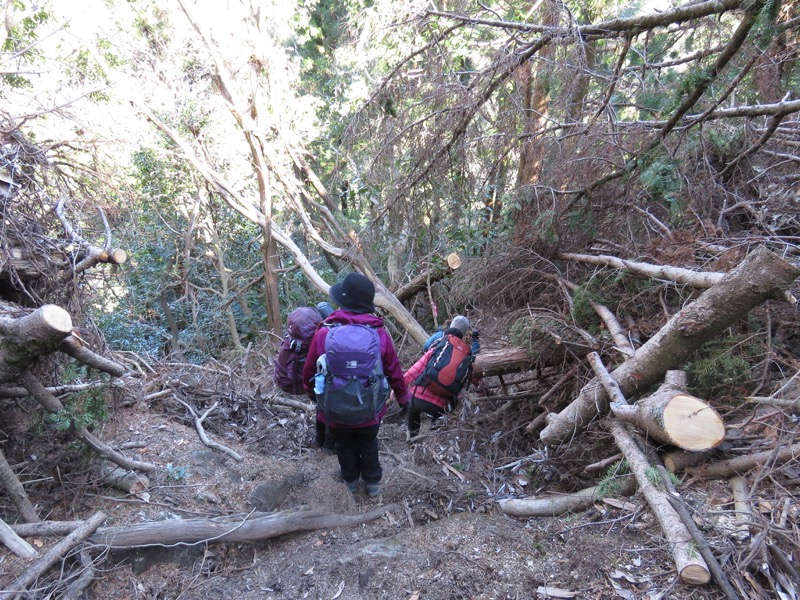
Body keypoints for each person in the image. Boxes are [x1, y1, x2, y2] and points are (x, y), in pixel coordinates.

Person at [303, 273, 410, 497]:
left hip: (336, 409)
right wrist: (403, 399)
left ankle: (350, 482)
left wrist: (316, 398)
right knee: (368, 442)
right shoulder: (378, 333)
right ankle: (372, 484)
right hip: (369, 408)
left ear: (343, 301)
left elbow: (309, 372)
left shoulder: (325, 332)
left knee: (344, 445)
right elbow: (394, 371)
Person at [404, 316, 475, 441]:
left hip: (419, 398)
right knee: (447, 404)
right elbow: (463, 383)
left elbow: (416, 369)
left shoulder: (441, 341)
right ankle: (434, 435)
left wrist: (398, 387)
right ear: (465, 332)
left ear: (451, 325)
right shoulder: (467, 353)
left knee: (412, 408)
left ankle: (412, 436)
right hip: (441, 407)